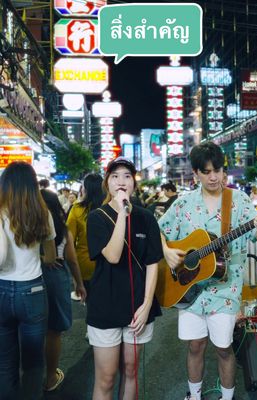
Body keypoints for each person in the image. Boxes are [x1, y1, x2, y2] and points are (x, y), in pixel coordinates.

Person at [158, 142, 257, 400]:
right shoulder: (183, 204)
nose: (213, 177)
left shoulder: (239, 200)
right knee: (195, 346)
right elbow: (158, 229)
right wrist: (166, 251)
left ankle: (227, 396)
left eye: (218, 170)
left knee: (224, 348)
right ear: (196, 174)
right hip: (189, 290)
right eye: (206, 171)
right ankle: (195, 395)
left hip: (226, 288)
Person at [86, 157, 163, 400]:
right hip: (105, 306)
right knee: (107, 377)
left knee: (131, 371)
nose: (122, 181)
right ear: (107, 182)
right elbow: (113, 255)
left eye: (127, 176)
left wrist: (148, 303)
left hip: (137, 308)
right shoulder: (96, 218)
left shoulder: (147, 218)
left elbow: (152, 262)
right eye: (115, 176)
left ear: (134, 183)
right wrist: (122, 213)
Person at [0, 161, 56, 400]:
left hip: (2, 289)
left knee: (4, 362)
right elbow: (52, 256)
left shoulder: (0, 211)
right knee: (33, 363)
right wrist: (34, 256)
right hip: (33, 290)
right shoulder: (43, 212)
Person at [40, 189, 87, 392]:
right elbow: (72, 260)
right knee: (54, 330)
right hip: (57, 277)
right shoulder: (62, 228)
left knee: (31, 328)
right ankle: (50, 377)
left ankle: (28, 377)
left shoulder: (27, 225)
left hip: (31, 276)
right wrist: (79, 284)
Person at [66, 173, 104, 297]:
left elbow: (69, 239)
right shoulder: (110, 207)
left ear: (85, 189)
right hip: (109, 263)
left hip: (85, 264)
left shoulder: (77, 209)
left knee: (90, 301)